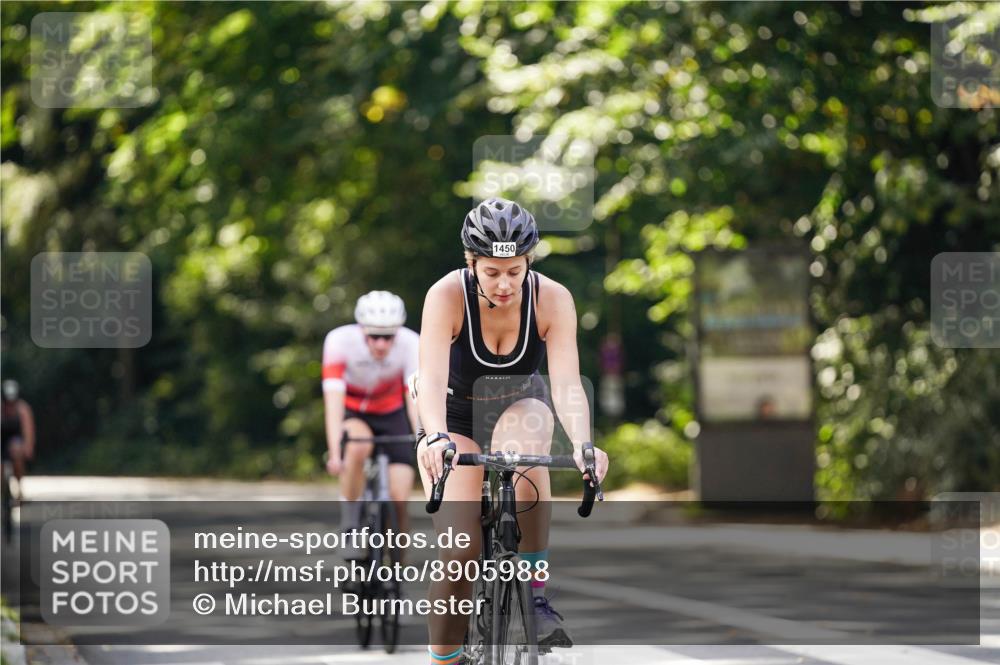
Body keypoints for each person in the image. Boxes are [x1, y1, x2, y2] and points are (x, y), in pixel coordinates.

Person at [414, 197, 610, 664]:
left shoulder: (553, 298)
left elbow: (566, 385)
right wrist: (436, 437)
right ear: (472, 263)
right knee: (460, 551)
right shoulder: (445, 295)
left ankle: (536, 594)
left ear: (529, 262)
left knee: (525, 458)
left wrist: (584, 445)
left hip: (520, 404)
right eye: (492, 272)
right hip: (454, 416)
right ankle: (447, 657)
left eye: (515, 271)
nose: (504, 284)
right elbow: (432, 379)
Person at [322, 291, 420, 558]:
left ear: (398, 332)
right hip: (354, 413)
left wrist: (423, 439)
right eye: (373, 336)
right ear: (361, 330)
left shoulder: (412, 343)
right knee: (357, 446)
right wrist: (334, 453)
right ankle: (351, 526)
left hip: (391, 413)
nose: (380, 344)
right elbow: (333, 401)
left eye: (388, 336)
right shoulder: (339, 341)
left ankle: (398, 573)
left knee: (399, 498)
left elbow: (414, 400)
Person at [1, 380, 35, 501]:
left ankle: (19, 488)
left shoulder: (22, 409)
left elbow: (28, 430)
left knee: (17, 451)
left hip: (14, 440)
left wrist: (28, 448)